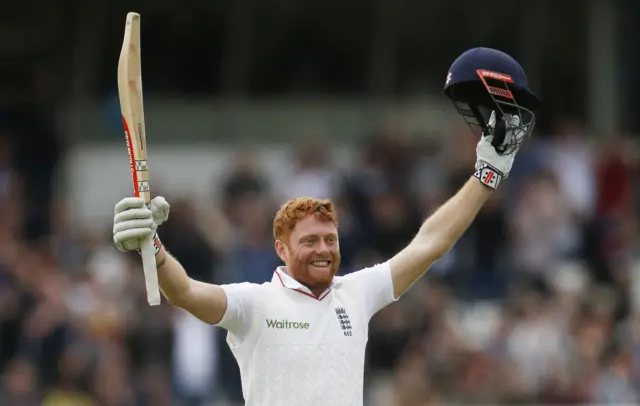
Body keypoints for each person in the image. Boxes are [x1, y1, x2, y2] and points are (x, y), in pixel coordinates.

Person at [111, 47, 539, 406]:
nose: (323, 249)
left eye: (330, 239)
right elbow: (184, 292)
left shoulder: (356, 293)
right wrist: (155, 247)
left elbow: (431, 242)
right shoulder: (254, 304)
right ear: (281, 248)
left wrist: (488, 175)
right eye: (310, 240)